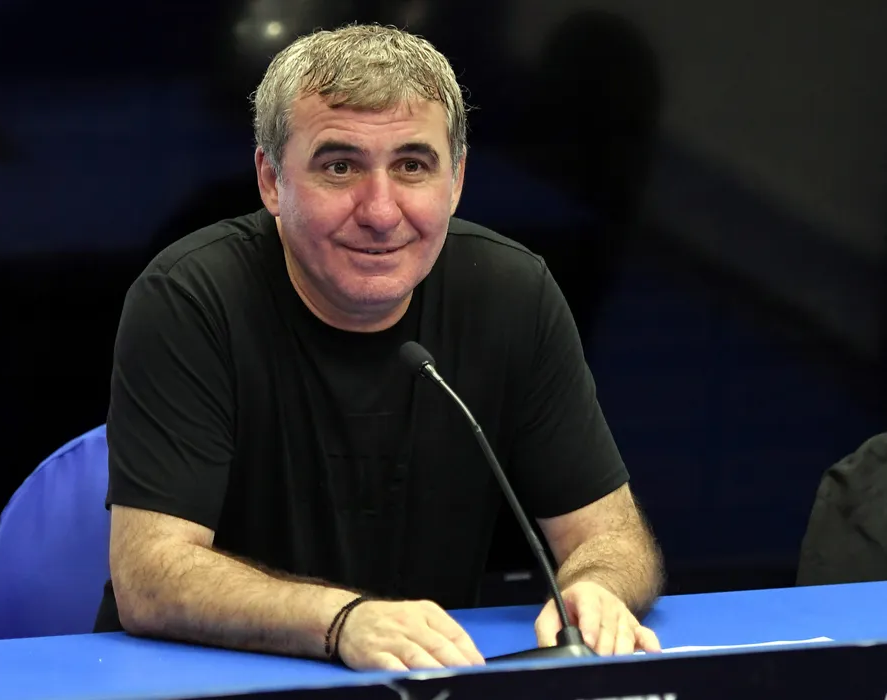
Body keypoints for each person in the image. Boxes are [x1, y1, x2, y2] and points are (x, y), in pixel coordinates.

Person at [94, 23, 665, 671]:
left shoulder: (512, 293)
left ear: (456, 181)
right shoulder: (190, 295)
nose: (381, 212)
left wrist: (597, 587)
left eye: (412, 167)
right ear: (271, 180)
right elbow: (151, 575)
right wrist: (341, 621)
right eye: (340, 167)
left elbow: (611, 537)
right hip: (209, 673)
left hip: (427, 673)